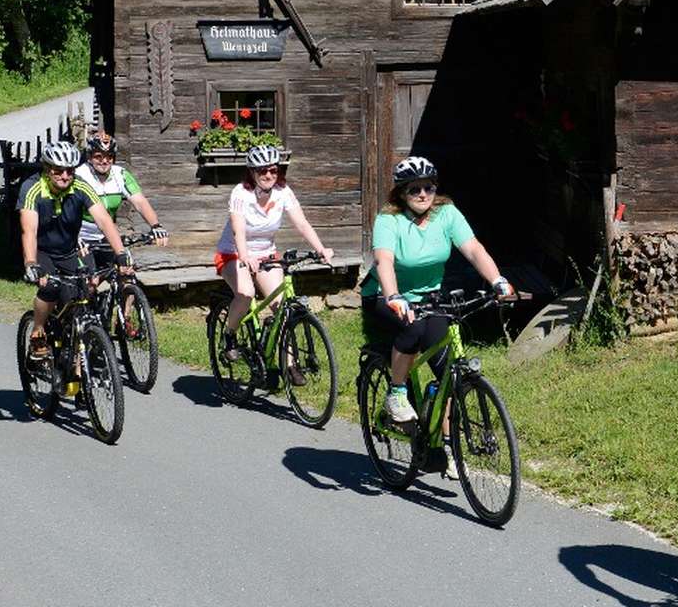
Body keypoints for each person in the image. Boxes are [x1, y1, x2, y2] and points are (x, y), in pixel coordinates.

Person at [359, 156, 512, 439]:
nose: (422, 194)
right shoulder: (388, 219)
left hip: (429, 297)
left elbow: (474, 249)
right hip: (383, 294)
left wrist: (497, 280)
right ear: (401, 193)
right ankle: (397, 393)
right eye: (413, 189)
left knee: (447, 375)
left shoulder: (447, 214)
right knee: (413, 326)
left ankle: (448, 443)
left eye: (428, 187)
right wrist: (394, 295)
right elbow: (384, 261)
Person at [215, 144, 334, 379]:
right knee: (246, 293)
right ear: (252, 172)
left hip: (266, 253)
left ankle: (288, 364)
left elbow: (301, 223)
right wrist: (245, 255)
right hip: (233, 253)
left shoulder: (283, 191)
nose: (268, 175)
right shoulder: (241, 193)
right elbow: (238, 230)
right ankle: (229, 334)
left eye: (273, 170)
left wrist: (320, 249)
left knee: (281, 306)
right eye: (262, 171)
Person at [18, 140, 130, 362]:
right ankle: (38, 332)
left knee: (86, 290)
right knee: (49, 288)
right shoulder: (32, 188)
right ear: (47, 169)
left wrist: (120, 252)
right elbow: (28, 230)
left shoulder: (80, 186)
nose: (65, 176)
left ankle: (78, 350)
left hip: (69, 251)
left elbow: (104, 220)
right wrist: (31, 264)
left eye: (69, 170)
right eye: (58, 171)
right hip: (43, 252)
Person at [75, 132, 169, 264]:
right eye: (98, 156)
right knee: (91, 280)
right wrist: (72, 238)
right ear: (89, 157)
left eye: (109, 156)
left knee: (126, 270)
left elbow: (140, 202)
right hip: (81, 236)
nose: (104, 161)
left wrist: (156, 225)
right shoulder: (79, 176)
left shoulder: (120, 174)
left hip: (108, 234)